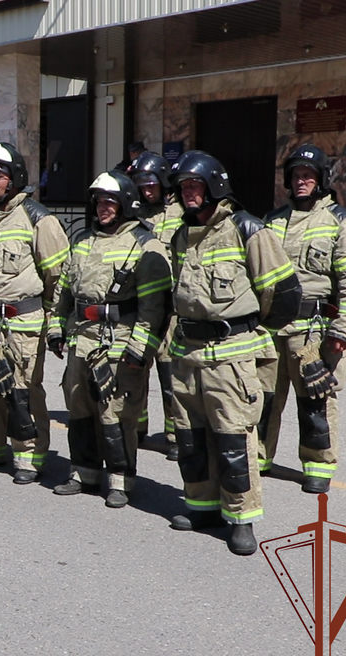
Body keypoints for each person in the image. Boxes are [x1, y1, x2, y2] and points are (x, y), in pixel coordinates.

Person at [166, 150, 301, 556]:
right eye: (184, 187)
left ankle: (241, 519)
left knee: (232, 438)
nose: (189, 194)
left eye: (195, 186)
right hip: (187, 352)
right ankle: (202, 505)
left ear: (214, 186)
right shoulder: (179, 234)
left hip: (230, 353)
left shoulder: (247, 229)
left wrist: (253, 334)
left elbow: (284, 292)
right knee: (191, 438)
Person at [48, 172, 171, 506]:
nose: (103, 208)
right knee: (79, 408)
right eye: (99, 201)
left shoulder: (145, 243)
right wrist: (57, 329)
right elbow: (63, 292)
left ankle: (120, 480)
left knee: (116, 413)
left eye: (110, 201)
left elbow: (154, 307)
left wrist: (139, 349)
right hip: (82, 339)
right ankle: (83, 472)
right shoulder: (82, 240)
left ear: (126, 204)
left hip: (120, 340)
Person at [257, 144, 346, 493]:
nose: (301, 181)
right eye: (295, 175)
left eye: (308, 175)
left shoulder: (344, 222)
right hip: (270, 329)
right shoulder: (271, 220)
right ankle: (259, 458)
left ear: (321, 179)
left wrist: (344, 330)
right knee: (261, 398)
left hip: (313, 333)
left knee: (315, 400)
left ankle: (317, 466)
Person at [0, 143, 68, 483]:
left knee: (21, 390)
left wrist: (53, 320)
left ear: (15, 179)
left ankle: (29, 456)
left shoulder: (38, 218)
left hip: (20, 322)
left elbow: (59, 275)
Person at [128, 150, 185, 460]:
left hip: (172, 308)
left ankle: (175, 433)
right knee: (136, 368)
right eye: (141, 184)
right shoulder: (134, 214)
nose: (146, 189)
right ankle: (136, 427)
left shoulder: (180, 214)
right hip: (141, 305)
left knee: (170, 374)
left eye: (151, 183)